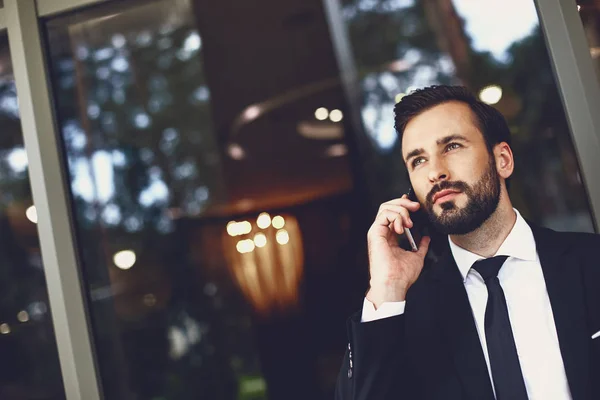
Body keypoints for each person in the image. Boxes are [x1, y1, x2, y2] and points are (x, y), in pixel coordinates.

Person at [335, 85, 600, 400]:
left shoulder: (591, 261)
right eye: (418, 161)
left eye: (451, 146)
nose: (435, 172)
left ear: (502, 159)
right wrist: (387, 288)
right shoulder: (404, 313)